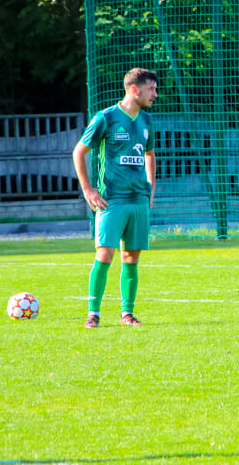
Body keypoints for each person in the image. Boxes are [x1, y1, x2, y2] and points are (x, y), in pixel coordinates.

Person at [72, 68, 158, 329]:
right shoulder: (106, 118)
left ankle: (127, 314)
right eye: (151, 89)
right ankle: (93, 313)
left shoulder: (146, 121)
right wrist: (88, 190)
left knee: (131, 258)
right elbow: (79, 152)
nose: (155, 94)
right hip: (112, 200)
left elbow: (150, 154)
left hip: (138, 200)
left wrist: (151, 188)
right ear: (135, 89)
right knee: (105, 254)